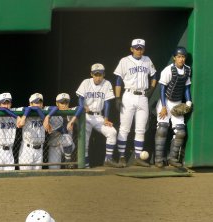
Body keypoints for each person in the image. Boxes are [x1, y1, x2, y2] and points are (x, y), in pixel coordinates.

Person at [113, 39, 157, 167]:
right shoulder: (124, 61)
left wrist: (152, 89)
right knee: (124, 128)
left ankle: (138, 158)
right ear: (131, 49)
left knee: (140, 129)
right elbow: (118, 80)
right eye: (136, 48)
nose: (139, 50)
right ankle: (121, 157)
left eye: (141, 48)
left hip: (143, 96)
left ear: (143, 49)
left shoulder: (147, 60)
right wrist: (117, 97)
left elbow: (154, 76)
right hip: (129, 95)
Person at [74, 63, 119, 168]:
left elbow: (108, 102)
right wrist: (82, 107)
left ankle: (108, 159)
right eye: (96, 74)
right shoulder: (86, 82)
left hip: (99, 117)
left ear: (104, 74)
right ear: (92, 74)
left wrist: (106, 118)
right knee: (84, 142)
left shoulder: (107, 83)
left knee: (112, 132)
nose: (98, 77)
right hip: (86, 116)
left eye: (100, 74)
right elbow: (80, 98)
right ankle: (85, 165)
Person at [154, 46, 193, 168]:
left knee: (181, 132)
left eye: (183, 57)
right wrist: (164, 106)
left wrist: (188, 102)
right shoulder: (168, 70)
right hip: (165, 101)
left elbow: (186, 87)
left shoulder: (187, 70)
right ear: (174, 58)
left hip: (177, 103)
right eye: (179, 57)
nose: (181, 59)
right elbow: (162, 88)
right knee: (162, 129)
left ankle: (172, 159)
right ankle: (159, 159)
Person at [43, 93, 79, 169]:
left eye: (66, 103)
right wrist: (48, 117)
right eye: (62, 103)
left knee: (66, 137)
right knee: (53, 168)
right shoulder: (52, 111)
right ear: (57, 103)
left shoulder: (71, 112)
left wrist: (72, 121)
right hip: (54, 145)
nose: (64, 105)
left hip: (67, 145)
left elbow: (81, 108)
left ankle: (68, 161)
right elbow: (46, 108)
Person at [16, 93, 47, 170]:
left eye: (40, 102)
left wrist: (47, 117)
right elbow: (27, 108)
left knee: (37, 178)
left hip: (40, 149)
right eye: (36, 102)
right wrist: (24, 118)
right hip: (27, 149)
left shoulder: (44, 111)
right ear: (30, 103)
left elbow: (55, 108)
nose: (38, 105)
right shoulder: (26, 110)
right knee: (25, 177)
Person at [0, 92, 18, 171]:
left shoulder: (14, 111)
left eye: (8, 103)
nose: (6, 105)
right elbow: (3, 109)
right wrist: (17, 117)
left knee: (10, 179)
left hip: (9, 151)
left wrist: (20, 116)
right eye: (3, 103)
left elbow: (27, 109)